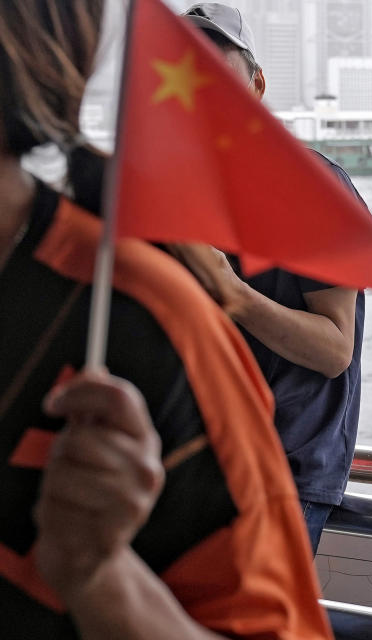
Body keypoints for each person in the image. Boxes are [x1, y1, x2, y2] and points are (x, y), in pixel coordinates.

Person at [0, 1, 332, 637]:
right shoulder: (153, 199)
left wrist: (100, 578)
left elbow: (334, 349)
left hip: (280, 464)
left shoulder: (149, 316)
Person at [171, 3, 366, 553]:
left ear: (255, 84)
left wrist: (229, 290)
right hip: (187, 461)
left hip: (280, 473)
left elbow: (334, 348)